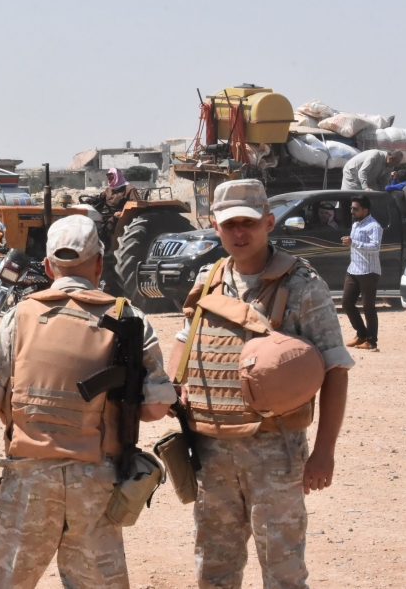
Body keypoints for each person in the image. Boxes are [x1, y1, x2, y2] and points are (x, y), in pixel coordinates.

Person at [0, 214, 175, 588]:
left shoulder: (18, 317)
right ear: (100, 263)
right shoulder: (128, 318)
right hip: (97, 483)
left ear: (50, 267)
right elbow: (155, 409)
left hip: (27, 483)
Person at [166, 179, 353, 589]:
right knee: (214, 567)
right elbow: (185, 339)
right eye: (229, 223)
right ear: (214, 225)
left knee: (283, 571)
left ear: (269, 222)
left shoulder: (302, 285)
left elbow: (335, 369)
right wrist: (174, 387)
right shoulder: (209, 278)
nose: (239, 233)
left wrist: (324, 452)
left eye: (248, 223)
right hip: (211, 450)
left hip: (275, 450)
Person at [340, 195, 382, 351]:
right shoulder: (356, 224)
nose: (352, 211)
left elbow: (375, 246)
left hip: (368, 271)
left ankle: (371, 341)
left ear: (365, 210)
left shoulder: (374, 226)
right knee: (346, 302)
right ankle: (361, 335)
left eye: (355, 208)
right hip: (353, 269)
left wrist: (353, 243)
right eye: (351, 208)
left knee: (368, 306)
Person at [90, 168, 142, 246]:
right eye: (108, 178)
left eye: (111, 178)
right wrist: (87, 200)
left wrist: (122, 212)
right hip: (105, 214)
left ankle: (112, 248)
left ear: (117, 177)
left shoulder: (129, 189)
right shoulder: (109, 190)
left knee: (111, 223)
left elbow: (136, 204)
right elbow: (98, 198)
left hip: (120, 216)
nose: (110, 180)